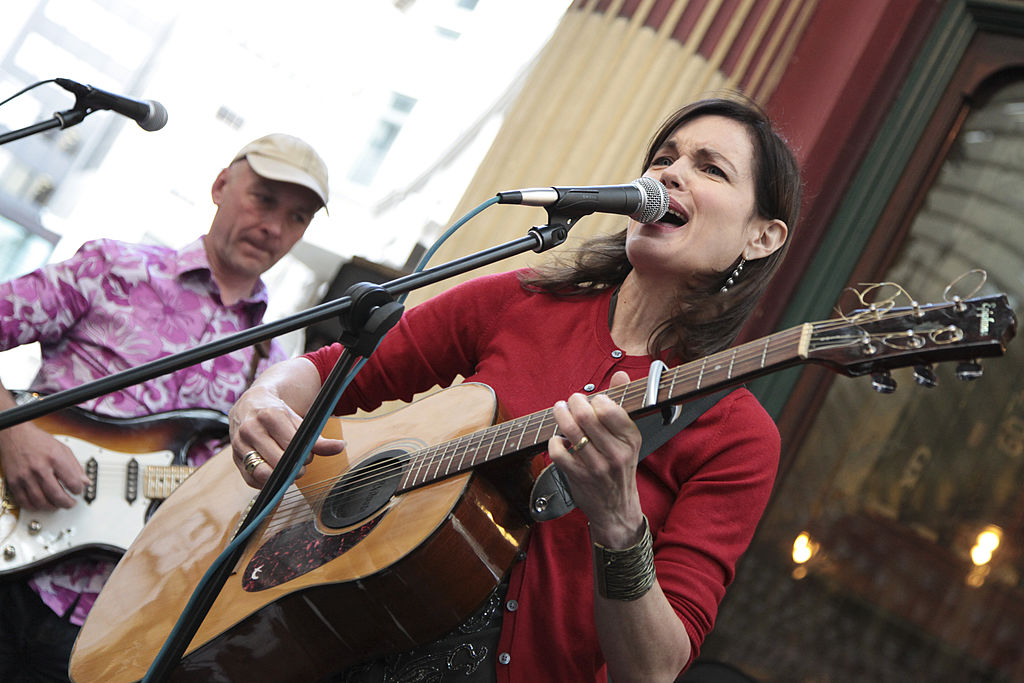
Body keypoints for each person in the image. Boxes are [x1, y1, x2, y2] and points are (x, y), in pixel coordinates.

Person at [228, 96, 800, 682]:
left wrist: (619, 522)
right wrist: (263, 399)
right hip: (339, 649)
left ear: (762, 237)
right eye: (664, 157)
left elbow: (653, 669)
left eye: (711, 168)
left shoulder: (738, 435)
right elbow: (327, 371)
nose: (670, 173)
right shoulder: (520, 301)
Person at [0, 133, 330, 682]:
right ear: (221, 185)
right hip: (12, 557)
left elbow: (224, 497)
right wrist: (10, 432)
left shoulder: (272, 367)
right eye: (264, 200)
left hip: (108, 628)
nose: (274, 228)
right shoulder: (112, 268)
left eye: (296, 218)